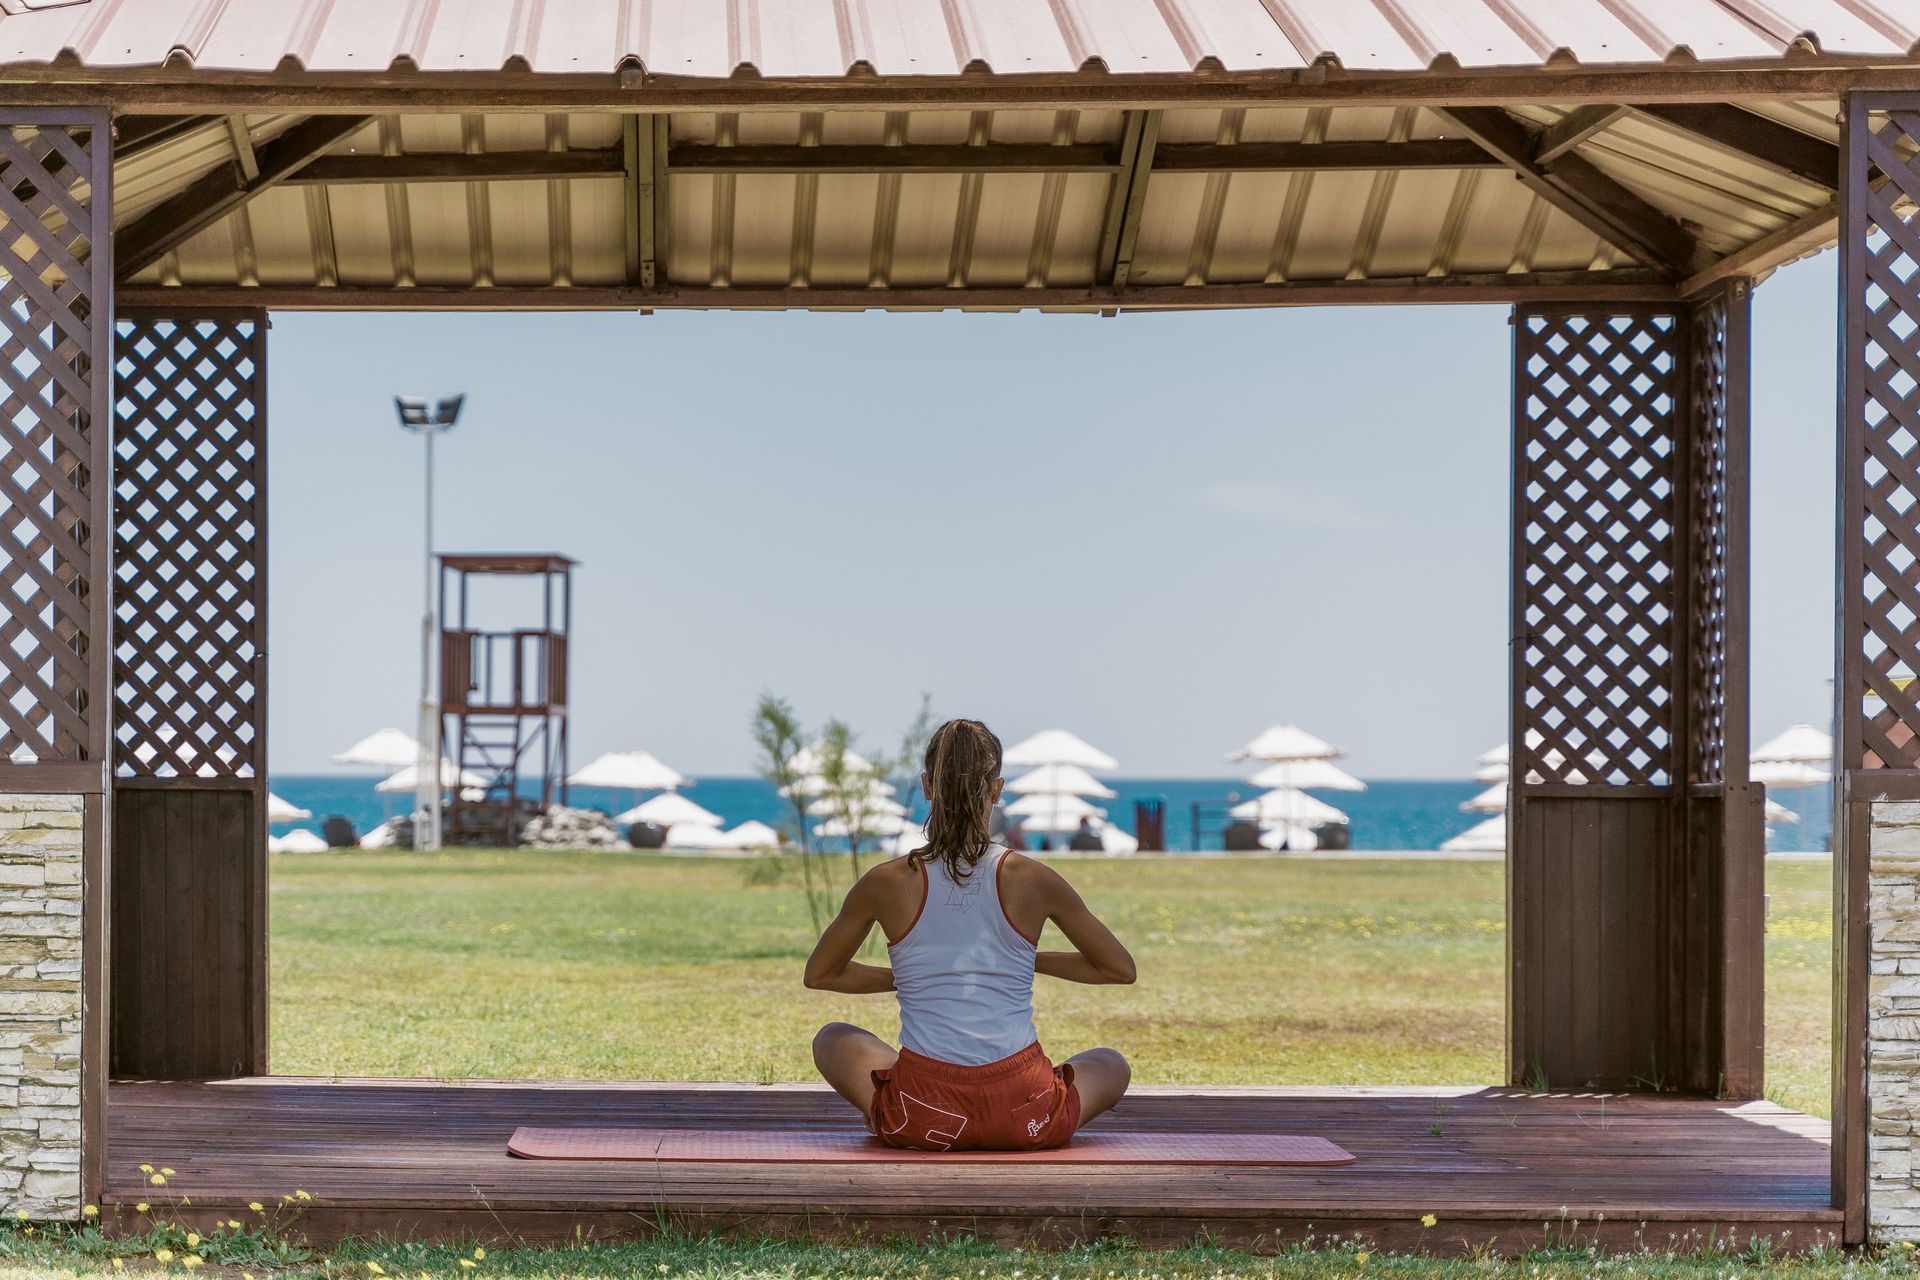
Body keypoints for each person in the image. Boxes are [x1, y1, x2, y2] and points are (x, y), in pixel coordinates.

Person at [804, 718, 1135, 1151]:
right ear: (996, 790)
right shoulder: (1034, 878)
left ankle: (890, 1114)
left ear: (927, 785)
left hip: (924, 1110)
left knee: (832, 1038)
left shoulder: (885, 882)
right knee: (1110, 1063)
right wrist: (1019, 960)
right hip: (1025, 1113)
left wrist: (918, 974)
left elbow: (822, 974)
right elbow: (1118, 969)